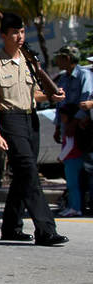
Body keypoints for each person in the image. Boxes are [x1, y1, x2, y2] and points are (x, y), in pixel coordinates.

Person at [0, 12, 68, 245]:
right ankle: (46, 229)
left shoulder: (30, 62)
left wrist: (53, 94)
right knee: (30, 172)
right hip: (10, 120)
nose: (19, 37)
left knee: (22, 176)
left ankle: (10, 227)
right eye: (14, 33)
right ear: (3, 36)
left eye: (21, 32)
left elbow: (33, 95)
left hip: (31, 120)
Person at [52, 45, 92, 218]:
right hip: (67, 127)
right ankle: (76, 204)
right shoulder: (63, 79)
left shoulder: (84, 75)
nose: (57, 61)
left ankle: (79, 205)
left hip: (81, 128)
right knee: (75, 171)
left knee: (87, 168)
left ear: (67, 58)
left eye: (60, 57)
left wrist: (73, 123)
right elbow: (59, 104)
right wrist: (58, 127)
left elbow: (86, 99)